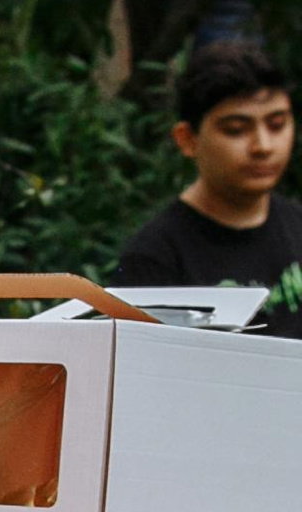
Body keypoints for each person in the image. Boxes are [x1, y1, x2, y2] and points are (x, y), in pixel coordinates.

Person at [113, 36, 302, 311]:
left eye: (276, 124)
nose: (263, 146)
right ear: (187, 139)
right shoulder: (153, 261)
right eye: (236, 129)